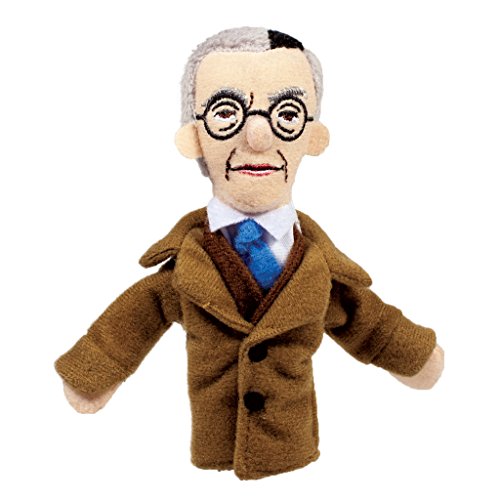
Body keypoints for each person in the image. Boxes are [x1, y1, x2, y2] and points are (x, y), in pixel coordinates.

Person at [55, 27, 444, 480]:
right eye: (227, 113)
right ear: (194, 137)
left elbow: (363, 318)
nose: (257, 135)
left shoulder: (316, 266)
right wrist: (94, 370)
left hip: (296, 454)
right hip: (209, 448)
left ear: (314, 136)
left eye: (287, 114)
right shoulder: (188, 264)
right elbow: (137, 315)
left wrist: (410, 352)